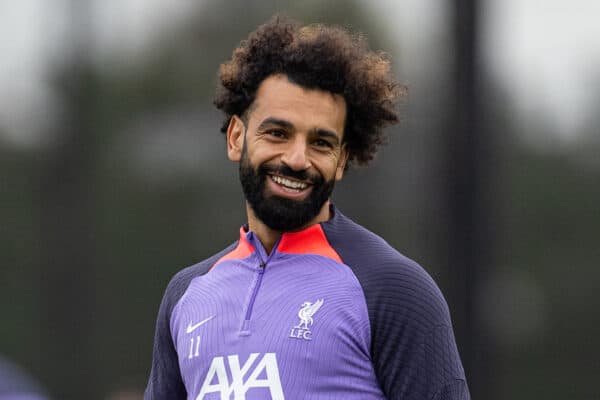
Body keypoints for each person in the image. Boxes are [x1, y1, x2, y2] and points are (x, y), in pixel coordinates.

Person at [145, 15, 470, 400]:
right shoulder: (186, 294)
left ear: (343, 159)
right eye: (278, 133)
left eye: (321, 143)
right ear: (236, 137)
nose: (298, 159)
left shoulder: (394, 290)